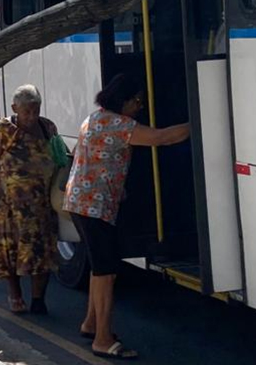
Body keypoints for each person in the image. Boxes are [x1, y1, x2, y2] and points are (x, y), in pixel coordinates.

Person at [64, 71, 191, 360]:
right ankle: (103, 339)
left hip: (81, 203)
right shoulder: (119, 125)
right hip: (95, 207)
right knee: (107, 273)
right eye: (137, 101)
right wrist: (197, 121)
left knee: (99, 268)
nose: (140, 107)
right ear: (123, 100)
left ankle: (91, 323)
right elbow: (162, 138)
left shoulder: (95, 118)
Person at [0, 85, 59, 314]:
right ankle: (15, 295)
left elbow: (59, 156)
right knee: (10, 251)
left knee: (41, 252)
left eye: (35, 111)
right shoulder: (4, 130)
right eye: (26, 112)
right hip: (9, 206)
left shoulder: (48, 127)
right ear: (15, 108)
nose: (32, 117)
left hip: (41, 205)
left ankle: (38, 299)